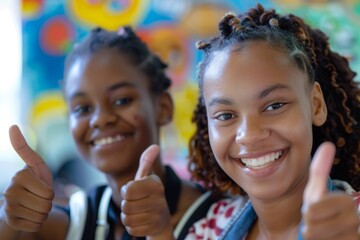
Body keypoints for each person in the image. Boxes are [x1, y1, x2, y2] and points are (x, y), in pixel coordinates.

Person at [0, 26, 220, 240]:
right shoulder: (75, 220)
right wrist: (9, 219)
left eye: (121, 100)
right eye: (82, 109)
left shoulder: (222, 217)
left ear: (163, 108)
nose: (100, 119)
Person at [184, 4, 360, 239]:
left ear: (316, 105)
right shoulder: (210, 228)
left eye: (274, 106)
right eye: (226, 115)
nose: (249, 135)